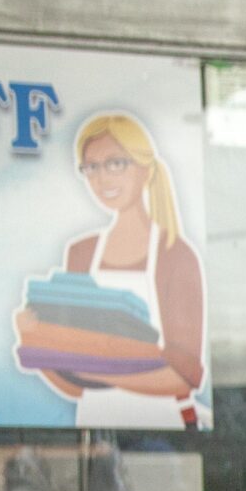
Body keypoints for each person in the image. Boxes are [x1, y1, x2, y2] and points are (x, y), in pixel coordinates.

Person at [28, 113, 207, 429]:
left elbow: (183, 376)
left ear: (145, 170)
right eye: (92, 168)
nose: (102, 178)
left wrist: (96, 366)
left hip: (166, 430)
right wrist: (36, 342)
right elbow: (74, 384)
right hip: (95, 426)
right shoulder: (80, 253)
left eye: (115, 164)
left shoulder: (176, 256)